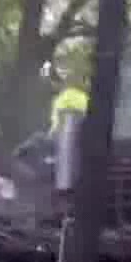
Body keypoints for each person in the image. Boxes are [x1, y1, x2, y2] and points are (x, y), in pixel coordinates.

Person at [46, 63, 89, 204]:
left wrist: (50, 137)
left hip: (68, 149)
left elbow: (59, 127)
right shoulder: (82, 96)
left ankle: (63, 191)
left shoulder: (64, 99)